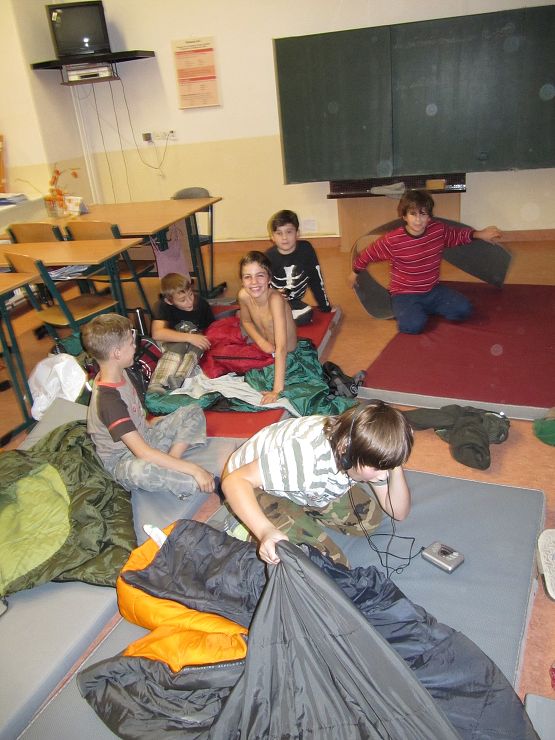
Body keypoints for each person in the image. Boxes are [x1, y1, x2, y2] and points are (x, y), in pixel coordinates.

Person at [221, 401, 413, 565]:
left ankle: (296, 507)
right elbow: (234, 482)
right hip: (249, 487)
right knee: (331, 567)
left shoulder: (355, 443)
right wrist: (265, 531)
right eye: (378, 468)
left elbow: (398, 511)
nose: (383, 476)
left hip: (298, 482)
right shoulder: (305, 456)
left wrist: (394, 458)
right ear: (346, 451)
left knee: (368, 520)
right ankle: (244, 525)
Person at [82, 313, 217, 499]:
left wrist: (149, 423)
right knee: (144, 472)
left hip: (145, 436)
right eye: (131, 343)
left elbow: (135, 412)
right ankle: (180, 474)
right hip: (124, 458)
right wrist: (194, 469)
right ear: (117, 353)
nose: (135, 346)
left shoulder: (120, 370)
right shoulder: (109, 400)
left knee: (192, 410)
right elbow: (142, 452)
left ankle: (172, 461)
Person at [348, 189, 502, 334]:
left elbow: (456, 235)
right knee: (412, 326)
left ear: (429, 217)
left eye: (423, 214)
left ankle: (424, 308)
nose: (418, 219)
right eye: (413, 214)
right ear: (404, 216)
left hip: (432, 290)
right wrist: (355, 272)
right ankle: (415, 310)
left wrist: (479, 234)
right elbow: (369, 254)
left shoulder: (437, 230)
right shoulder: (393, 240)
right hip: (404, 294)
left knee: (464, 310)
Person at [238, 250, 297, 405]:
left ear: (269, 278)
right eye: (247, 277)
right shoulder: (243, 295)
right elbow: (246, 321)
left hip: (286, 352)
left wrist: (277, 390)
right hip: (265, 344)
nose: (254, 282)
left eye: (260, 275)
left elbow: (282, 348)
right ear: (242, 280)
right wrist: (261, 342)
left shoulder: (275, 300)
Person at [149, 273, 215, 391]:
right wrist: (189, 337)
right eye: (182, 300)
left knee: (199, 344)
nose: (189, 302)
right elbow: (157, 333)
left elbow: (212, 328)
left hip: (193, 346)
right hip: (171, 345)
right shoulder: (162, 306)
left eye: (191, 295)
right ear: (169, 301)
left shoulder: (201, 304)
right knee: (180, 344)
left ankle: (180, 378)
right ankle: (158, 382)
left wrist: (198, 338)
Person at [266, 209, 331, 325]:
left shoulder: (306, 250)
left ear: (297, 233)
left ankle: (275, 320)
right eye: (279, 233)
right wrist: (272, 294)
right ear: (272, 237)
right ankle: (270, 317)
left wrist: (325, 306)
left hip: (293, 303)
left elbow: (316, 279)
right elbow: (261, 284)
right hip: (271, 301)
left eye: (289, 232)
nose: (284, 237)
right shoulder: (268, 257)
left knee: (306, 314)